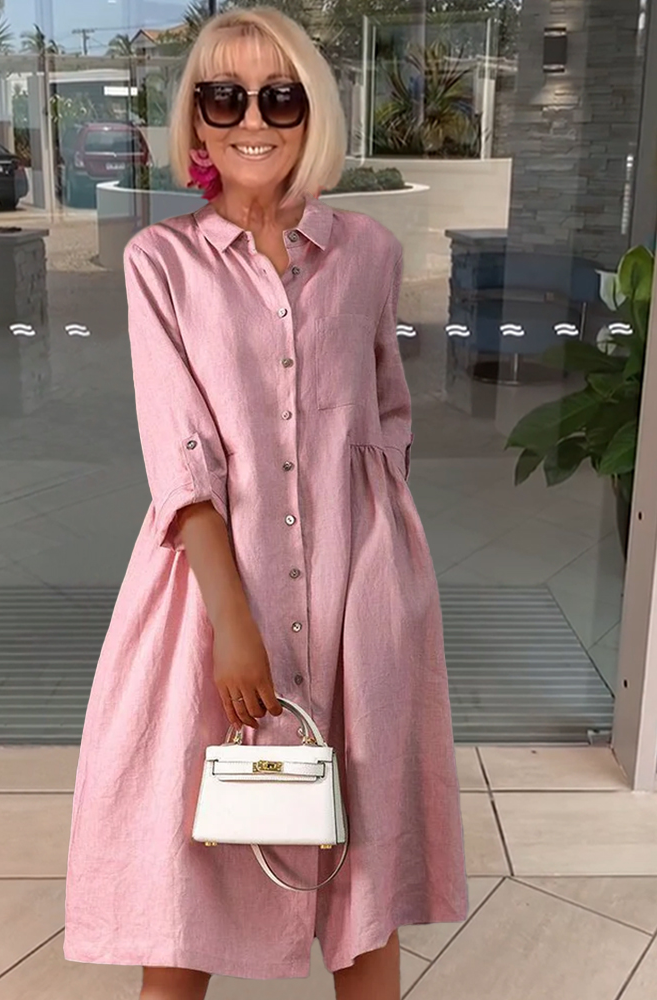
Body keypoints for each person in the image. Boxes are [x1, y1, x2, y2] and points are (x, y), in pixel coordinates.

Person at [63, 7, 469, 999]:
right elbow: (180, 452)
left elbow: (385, 419)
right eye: (226, 96)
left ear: (310, 111)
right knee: (185, 888)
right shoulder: (159, 263)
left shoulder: (369, 253)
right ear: (197, 119)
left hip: (357, 599)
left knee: (364, 883)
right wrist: (234, 624)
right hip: (208, 602)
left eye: (279, 96)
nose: (253, 118)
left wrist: (383, 569)